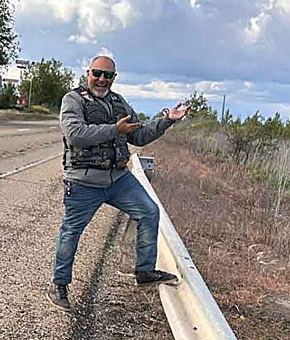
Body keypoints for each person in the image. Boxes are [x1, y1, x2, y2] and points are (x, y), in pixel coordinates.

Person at [48, 55, 189, 309]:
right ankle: (59, 284)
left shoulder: (118, 102)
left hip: (118, 179)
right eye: (97, 73)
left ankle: (144, 271)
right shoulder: (73, 100)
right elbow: (76, 135)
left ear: (114, 78)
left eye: (108, 75)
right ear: (88, 73)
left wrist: (167, 120)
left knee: (149, 211)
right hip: (83, 181)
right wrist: (115, 129)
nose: (102, 79)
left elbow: (140, 135)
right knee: (71, 232)